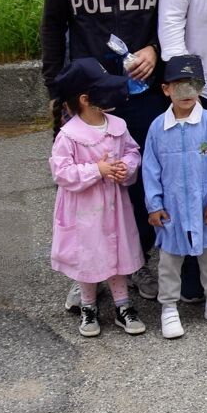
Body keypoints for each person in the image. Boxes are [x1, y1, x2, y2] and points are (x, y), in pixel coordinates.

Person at [39, 0, 166, 307]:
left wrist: (157, 50)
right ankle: (87, 269)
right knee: (89, 186)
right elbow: (53, 25)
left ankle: (137, 260)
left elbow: (174, 18)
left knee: (141, 178)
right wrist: (58, 90)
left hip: (144, 89)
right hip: (91, 98)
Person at [143, 54, 207, 338]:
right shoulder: (157, 128)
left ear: (201, 87)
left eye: (192, 85)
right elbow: (150, 169)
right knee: (169, 260)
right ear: (166, 89)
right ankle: (169, 308)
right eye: (179, 86)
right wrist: (154, 205)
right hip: (172, 209)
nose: (186, 93)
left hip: (203, 208)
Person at [48, 58, 146, 338]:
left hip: (113, 206)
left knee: (116, 253)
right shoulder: (69, 135)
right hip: (85, 210)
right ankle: (89, 306)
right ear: (85, 99)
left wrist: (125, 167)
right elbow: (62, 172)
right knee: (88, 256)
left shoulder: (117, 125)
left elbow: (132, 152)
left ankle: (122, 305)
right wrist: (97, 169)